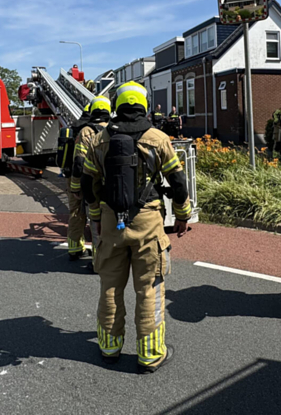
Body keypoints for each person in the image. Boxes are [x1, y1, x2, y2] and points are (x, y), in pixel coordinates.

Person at [81, 81, 192, 373]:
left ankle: (109, 347)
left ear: (117, 105)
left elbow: (87, 184)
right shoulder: (158, 137)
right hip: (148, 222)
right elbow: (178, 182)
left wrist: (95, 215)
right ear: (144, 104)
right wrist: (182, 214)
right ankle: (151, 354)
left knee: (110, 287)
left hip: (110, 222)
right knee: (149, 289)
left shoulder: (100, 139)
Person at [66, 96, 112, 261]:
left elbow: (79, 162)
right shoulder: (114, 129)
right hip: (109, 183)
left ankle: (77, 250)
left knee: (83, 215)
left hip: (90, 182)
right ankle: (104, 257)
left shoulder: (86, 131)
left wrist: (75, 187)